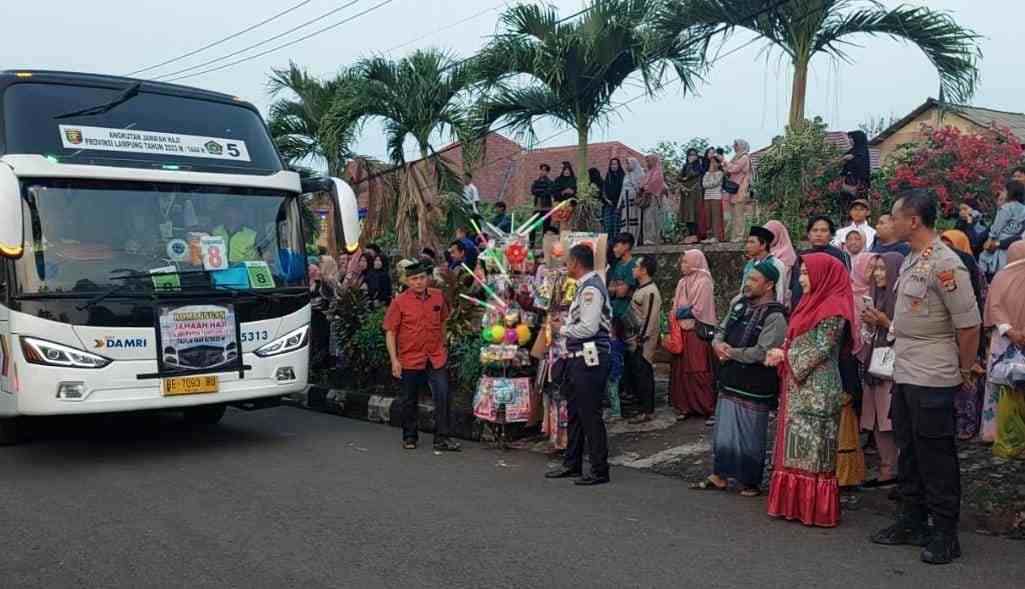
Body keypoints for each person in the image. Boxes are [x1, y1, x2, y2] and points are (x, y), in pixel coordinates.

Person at [871, 189, 981, 565]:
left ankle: (946, 533)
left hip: (934, 372)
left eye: (894, 216)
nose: (888, 221)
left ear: (913, 221)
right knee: (910, 449)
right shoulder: (913, 258)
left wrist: (965, 371)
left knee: (936, 455)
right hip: (906, 368)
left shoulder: (946, 263)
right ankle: (912, 519)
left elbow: (968, 326)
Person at [766, 253, 856, 527]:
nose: (802, 279)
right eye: (801, 273)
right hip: (799, 383)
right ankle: (794, 506)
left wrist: (785, 356)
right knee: (796, 445)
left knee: (815, 450)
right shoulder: (809, 302)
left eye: (806, 274)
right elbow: (797, 338)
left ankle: (814, 509)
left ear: (823, 275)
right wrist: (783, 350)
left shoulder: (834, 307)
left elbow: (822, 347)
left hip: (818, 386)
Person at [690, 260, 787, 496]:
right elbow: (722, 329)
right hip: (730, 377)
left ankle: (749, 481)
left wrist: (729, 352)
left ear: (769, 285)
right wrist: (717, 344)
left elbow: (762, 352)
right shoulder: (740, 304)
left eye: (754, 280)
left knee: (750, 433)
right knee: (724, 429)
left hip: (755, 384)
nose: (748, 283)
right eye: (748, 278)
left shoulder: (776, 316)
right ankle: (720, 475)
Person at [545, 244, 614, 486]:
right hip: (579, 358)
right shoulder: (585, 286)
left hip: (589, 357)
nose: (566, 266)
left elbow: (589, 327)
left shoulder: (591, 290)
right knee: (574, 412)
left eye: (567, 261)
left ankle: (599, 469)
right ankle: (572, 462)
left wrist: (560, 328)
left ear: (576, 263)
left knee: (590, 414)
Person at [383, 261, 462, 453]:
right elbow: (390, 332)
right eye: (414, 279)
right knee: (409, 399)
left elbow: (443, 320)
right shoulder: (399, 302)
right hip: (410, 357)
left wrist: (442, 344)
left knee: (443, 395)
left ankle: (442, 438)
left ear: (427, 278)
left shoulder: (438, 296)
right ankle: (410, 436)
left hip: (435, 355)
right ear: (408, 281)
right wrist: (394, 360)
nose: (418, 282)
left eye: (421, 278)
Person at [859, 252, 904, 488]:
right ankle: (887, 469)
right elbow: (867, 337)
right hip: (875, 364)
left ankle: (899, 469)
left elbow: (908, 332)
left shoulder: (902, 299)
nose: (878, 274)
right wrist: (869, 324)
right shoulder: (876, 296)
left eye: (883, 269)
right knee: (876, 418)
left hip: (894, 366)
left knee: (892, 419)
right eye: (875, 269)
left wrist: (886, 323)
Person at [983, 241, 1025, 449]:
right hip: (1020, 338)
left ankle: (995, 431)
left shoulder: (1000, 277)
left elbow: (994, 306)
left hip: (1003, 338)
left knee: (999, 384)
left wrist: (1009, 330)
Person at [666, 250, 718, 420]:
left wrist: (679, 312)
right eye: (682, 262)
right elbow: (676, 306)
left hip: (696, 332)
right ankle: (686, 406)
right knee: (682, 372)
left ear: (695, 262)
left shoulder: (704, 281)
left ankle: (707, 407)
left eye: (686, 262)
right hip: (682, 331)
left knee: (699, 370)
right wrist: (679, 312)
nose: (682, 266)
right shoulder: (682, 282)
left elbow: (699, 309)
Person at [788, 215, 850, 311]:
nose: (818, 234)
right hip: (801, 309)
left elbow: (842, 288)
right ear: (808, 234)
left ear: (831, 235)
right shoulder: (802, 257)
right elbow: (795, 287)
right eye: (814, 230)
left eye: (824, 231)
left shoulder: (840, 257)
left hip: (826, 312)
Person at [628, 255, 662, 424]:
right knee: (638, 373)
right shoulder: (641, 289)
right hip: (636, 338)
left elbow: (650, 317)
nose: (634, 269)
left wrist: (642, 338)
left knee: (644, 374)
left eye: (636, 266)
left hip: (643, 341)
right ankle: (643, 407)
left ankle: (647, 409)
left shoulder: (650, 291)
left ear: (644, 270)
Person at [980, 180, 1025, 279]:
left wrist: (990, 239)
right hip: (1012, 243)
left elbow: (997, 225)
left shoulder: (1006, 208)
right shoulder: (1023, 209)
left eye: (1004, 190)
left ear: (1010, 192)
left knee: (987, 261)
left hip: (1000, 241)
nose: (1002, 193)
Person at [741, 226, 787, 304]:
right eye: (747, 242)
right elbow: (743, 288)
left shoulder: (776, 264)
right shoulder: (750, 264)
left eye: (752, 242)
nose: (747, 246)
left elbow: (780, 293)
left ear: (763, 245)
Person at [724, 139, 753, 242]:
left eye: (735, 145)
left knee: (739, 214)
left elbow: (733, 169)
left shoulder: (744, 158)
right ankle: (734, 236)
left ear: (741, 146)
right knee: (734, 215)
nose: (734, 147)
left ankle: (739, 237)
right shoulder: (737, 157)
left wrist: (724, 161)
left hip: (740, 189)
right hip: (734, 190)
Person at [607, 233, 639, 320]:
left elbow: (621, 293)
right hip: (614, 311)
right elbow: (609, 290)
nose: (614, 250)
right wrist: (619, 286)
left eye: (616, 246)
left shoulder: (633, 266)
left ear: (626, 246)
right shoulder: (618, 264)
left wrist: (616, 287)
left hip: (625, 314)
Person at [839, 130, 871, 212]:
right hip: (847, 184)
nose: (849, 140)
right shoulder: (852, 151)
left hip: (859, 185)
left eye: (851, 138)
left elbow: (860, 166)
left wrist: (852, 158)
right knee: (846, 208)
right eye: (849, 138)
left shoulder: (861, 152)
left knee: (858, 206)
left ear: (857, 139)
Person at [618, 157, 647, 244]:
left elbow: (641, 188)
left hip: (634, 201)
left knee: (634, 221)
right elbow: (622, 190)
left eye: (628, 163)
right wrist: (619, 205)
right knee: (626, 222)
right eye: (626, 164)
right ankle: (625, 241)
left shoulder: (640, 174)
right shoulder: (626, 175)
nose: (627, 165)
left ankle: (634, 240)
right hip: (625, 203)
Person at [678, 148, 704, 243]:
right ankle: (689, 235)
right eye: (689, 154)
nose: (691, 156)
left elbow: (694, 174)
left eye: (693, 154)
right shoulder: (685, 165)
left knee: (694, 214)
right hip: (686, 192)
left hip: (695, 192)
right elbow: (679, 177)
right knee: (687, 215)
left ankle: (695, 236)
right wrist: (684, 178)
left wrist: (687, 174)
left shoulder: (699, 166)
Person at [700, 154, 725, 244]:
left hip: (716, 197)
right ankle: (709, 236)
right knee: (708, 218)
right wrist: (710, 174)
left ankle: (716, 237)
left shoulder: (720, 173)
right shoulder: (706, 173)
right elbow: (704, 184)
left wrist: (711, 175)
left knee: (715, 217)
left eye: (714, 162)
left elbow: (714, 183)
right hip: (707, 197)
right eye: (711, 162)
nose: (712, 164)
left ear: (718, 164)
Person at [531, 164, 555, 244]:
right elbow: (533, 191)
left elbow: (549, 192)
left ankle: (545, 244)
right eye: (541, 170)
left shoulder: (550, 182)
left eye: (545, 170)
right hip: (537, 207)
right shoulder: (535, 182)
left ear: (547, 172)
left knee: (546, 227)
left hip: (546, 208)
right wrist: (542, 190)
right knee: (532, 226)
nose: (542, 172)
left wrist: (539, 191)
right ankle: (531, 243)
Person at [602, 159, 625, 237]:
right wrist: (607, 200)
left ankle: (616, 242)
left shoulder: (623, 176)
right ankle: (608, 243)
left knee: (617, 225)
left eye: (615, 164)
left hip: (619, 204)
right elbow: (604, 190)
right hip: (609, 204)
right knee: (608, 225)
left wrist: (619, 202)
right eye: (612, 164)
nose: (613, 166)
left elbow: (623, 190)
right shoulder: (608, 176)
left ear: (618, 165)